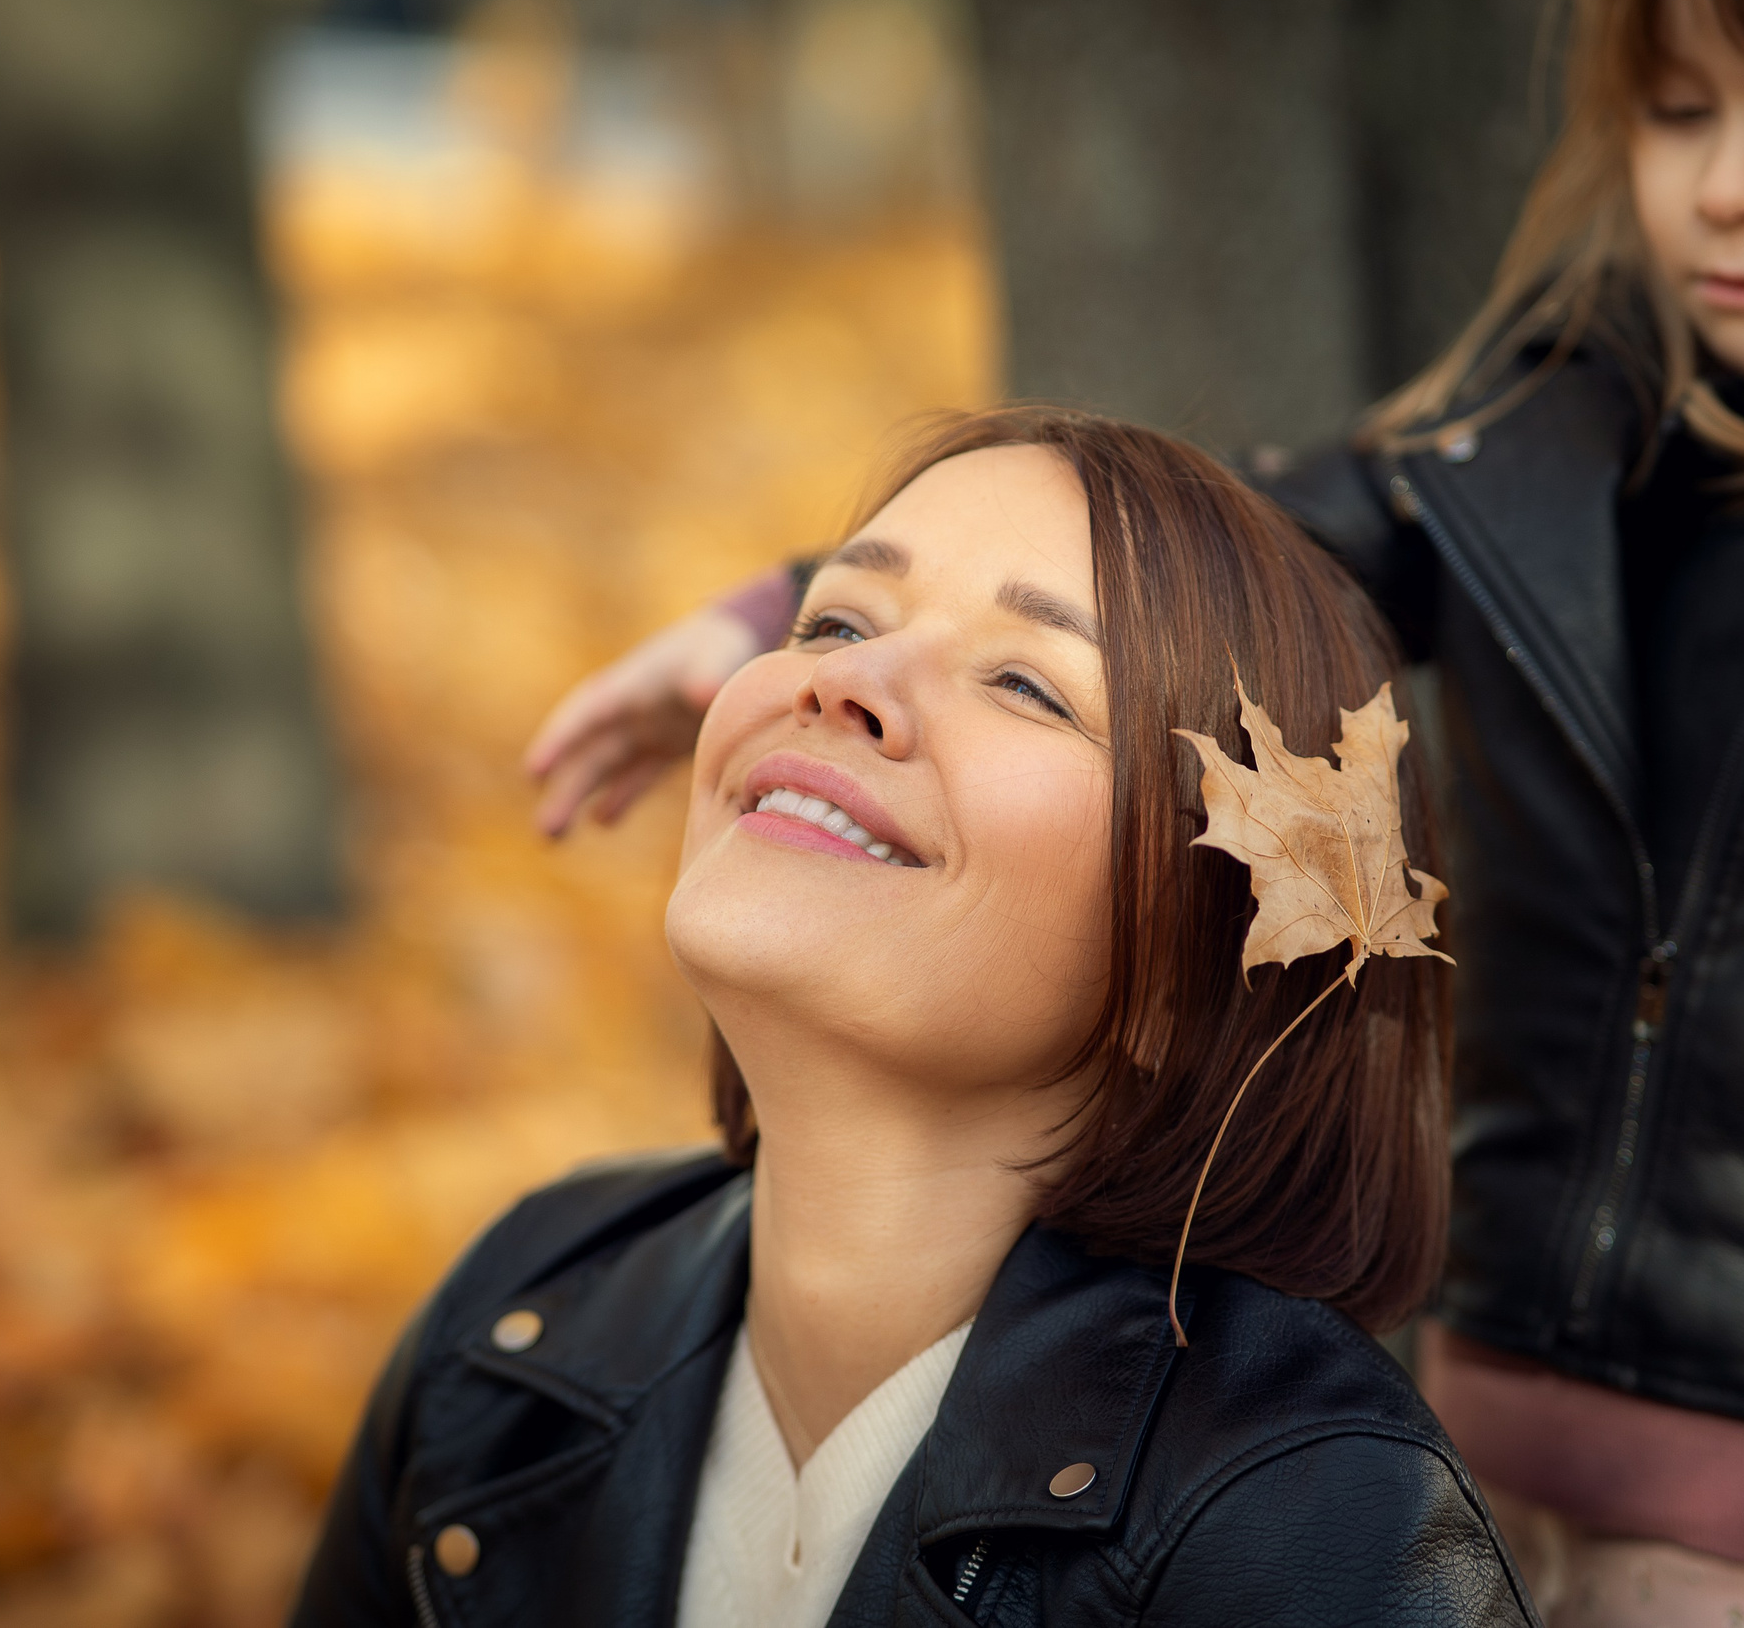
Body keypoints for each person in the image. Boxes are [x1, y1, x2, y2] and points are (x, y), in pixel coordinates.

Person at [521, 0, 1744, 1622]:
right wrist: (780, 616)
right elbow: (1196, 571)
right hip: (1482, 1408)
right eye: (1679, 109)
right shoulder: (1544, 421)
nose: (1730, 183)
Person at [293, 409, 1538, 1627]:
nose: (845, 682)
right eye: (833, 618)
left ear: (1199, 964)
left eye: (1025, 684)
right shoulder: (513, 1325)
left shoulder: (1305, 1529)